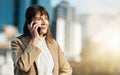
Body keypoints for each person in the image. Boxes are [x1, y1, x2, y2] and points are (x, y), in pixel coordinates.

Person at [11, 4, 72, 75]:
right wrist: (35, 40)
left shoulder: (54, 44)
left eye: (46, 19)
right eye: (39, 19)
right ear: (30, 23)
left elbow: (66, 69)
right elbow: (23, 66)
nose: (44, 23)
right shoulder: (17, 43)